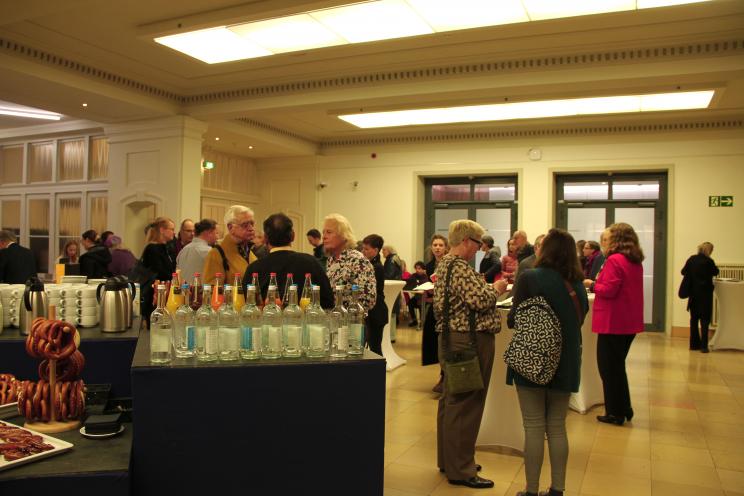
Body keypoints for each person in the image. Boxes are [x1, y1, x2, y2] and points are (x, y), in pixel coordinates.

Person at [508, 229, 589, 496]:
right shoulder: (577, 283)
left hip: (533, 358)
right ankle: (558, 489)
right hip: (565, 361)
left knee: (533, 426)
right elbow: (579, 319)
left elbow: (514, 319)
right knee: (557, 427)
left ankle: (531, 490)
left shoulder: (530, 277)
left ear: (546, 250)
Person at [434, 219, 507, 489]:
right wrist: (496, 289)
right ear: (466, 241)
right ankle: (461, 469)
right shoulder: (459, 267)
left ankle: (451, 459)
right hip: (468, 341)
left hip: (454, 339)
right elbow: (480, 300)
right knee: (466, 404)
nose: (479, 249)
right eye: (477, 244)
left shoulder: (445, 266)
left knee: (452, 401)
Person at [584, 223, 644, 426]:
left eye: (607, 239)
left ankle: (615, 412)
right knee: (617, 367)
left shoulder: (614, 260)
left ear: (616, 240)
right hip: (627, 321)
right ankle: (624, 407)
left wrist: (591, 284)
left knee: (609, 369)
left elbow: (608, 289)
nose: (604, 243)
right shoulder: (633, 260)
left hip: (613, 321)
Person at [244, 213, 333, 309]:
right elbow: (328, 302)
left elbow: (245, 306)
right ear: (293, 236)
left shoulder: (254, 268)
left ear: (265, 238)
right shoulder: (311, 263)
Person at [322, 213, 376, 311]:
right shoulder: (331, 260)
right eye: (323, 232)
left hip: (351, 322)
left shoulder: (357, 260)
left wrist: (342, 310)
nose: (324, 236)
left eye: (329, 232)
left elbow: (368, 299)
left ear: (344, 236)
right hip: (333, 320)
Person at [203, 205, 257, 286]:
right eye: (245, 225)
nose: (251, 228)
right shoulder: (216, 254)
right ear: (230, 227)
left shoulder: (249, 252)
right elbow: (213, 291)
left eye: (252, 224)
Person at [681, 242, 719, 352]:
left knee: (694, 320)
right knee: (705, 320)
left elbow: (683, 272)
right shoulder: (709, 262)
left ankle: (693, 345)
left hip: (693, 295)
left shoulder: (692, 259)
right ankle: (703, 346)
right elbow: (716, 272)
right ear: (709, 251)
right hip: (705, 295)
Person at [423, 234, 448, 389]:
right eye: (435, 245)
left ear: (446, 247)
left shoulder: (449, 263)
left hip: (446, 307)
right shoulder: (429, 265)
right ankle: (441, 374)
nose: (437, 248)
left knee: (445, 341)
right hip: (434, 306)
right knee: (432, 338)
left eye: (440, 245)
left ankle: (444, 377)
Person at [140, 217, 177, 322]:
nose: (174, 233)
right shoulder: (152, 248)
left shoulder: (166, 247)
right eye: (172, 229)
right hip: (155, 293)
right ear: (162, 230)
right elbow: (161, 272)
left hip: (165, 290)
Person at [361, 234, 389, 356]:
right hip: (373, 312)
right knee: (372, 347)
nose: (363, 251)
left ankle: (378, 374)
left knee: (375, 348)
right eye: (363, 248)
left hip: (377, 313)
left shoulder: (376, 267)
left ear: (376, 250)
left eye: (367, 249)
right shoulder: (370, 265)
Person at [176, 218, 218, 285]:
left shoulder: (183, 251)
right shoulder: (210, 252)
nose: (217, 237)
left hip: (181, 293)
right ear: (209, 233)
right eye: (216, 233)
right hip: (198, 293)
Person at [404, 261, 429, 327]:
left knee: (421, 305)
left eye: (419, 268)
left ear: (423, 269)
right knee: (410, 303)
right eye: (416, 268)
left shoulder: (425, 276)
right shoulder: (414, 275)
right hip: (417, 296)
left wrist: (417, 282)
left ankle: (422, 322)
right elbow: (410, 282)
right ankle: (414, 320)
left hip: (424, 297)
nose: (417, 270)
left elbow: (424, 283)